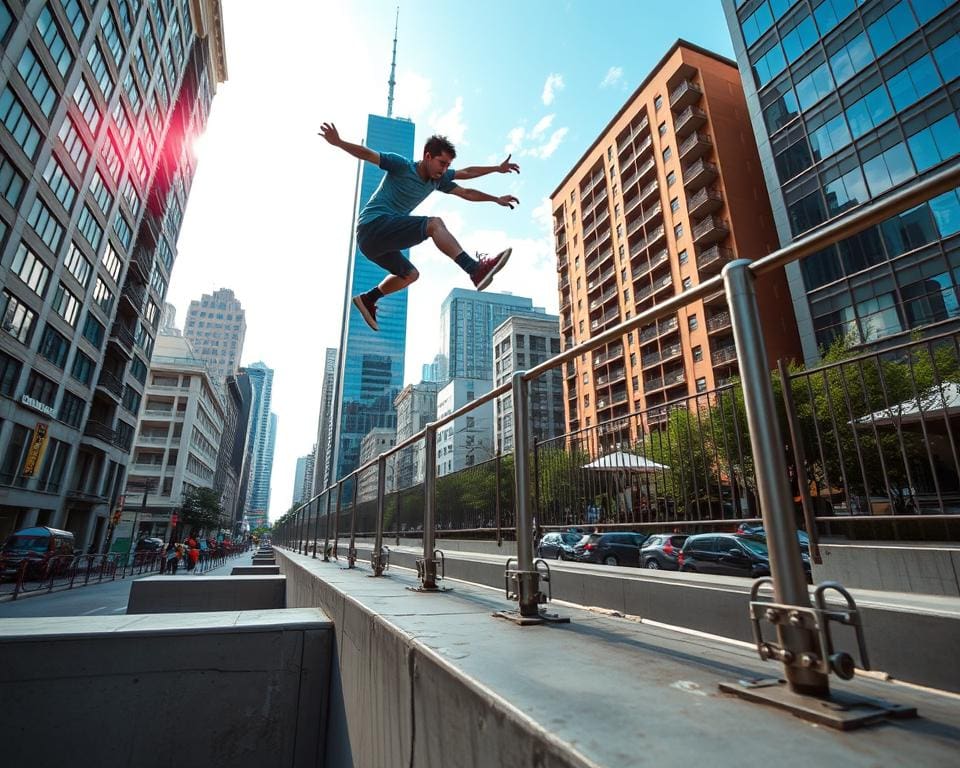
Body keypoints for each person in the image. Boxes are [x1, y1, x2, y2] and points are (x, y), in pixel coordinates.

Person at [319, 122, 520, 331]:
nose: (444, 170)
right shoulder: (401, 166)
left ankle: (369, 299)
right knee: (434, 224)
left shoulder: (438, 180)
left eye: (447, 165)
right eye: (441, 163)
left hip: (374, 245)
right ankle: (474, 269)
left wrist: (496, 192)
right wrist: (339, 142)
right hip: (372, 225)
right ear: (427, 157)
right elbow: (368, 154)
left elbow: (467, 182)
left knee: (410, 275)